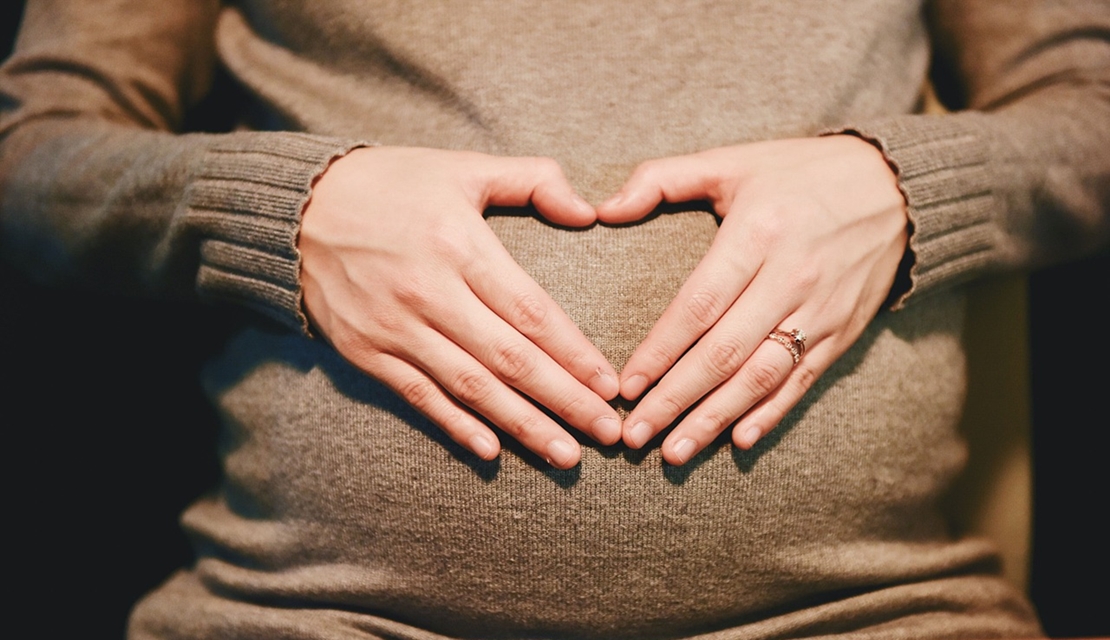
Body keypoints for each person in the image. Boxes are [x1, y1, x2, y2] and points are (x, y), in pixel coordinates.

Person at [1, 1, 1107, 638]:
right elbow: (31, 157)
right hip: (309, 616)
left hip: (872, 615)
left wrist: (908, 188)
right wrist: (284, 209)